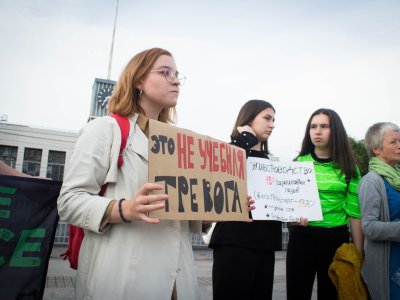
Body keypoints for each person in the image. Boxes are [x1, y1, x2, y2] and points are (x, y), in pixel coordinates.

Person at [57, 48, 202, 300]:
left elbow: (179, 216)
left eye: (177, 74)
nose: (176, 80)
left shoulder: (180, 144)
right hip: (123, 278)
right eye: (165, 72)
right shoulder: (104, 130)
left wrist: (217, 211)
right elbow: (69, 201)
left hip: (178, 281)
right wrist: (125, 209)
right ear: (138, 81)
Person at [286, 108, 364, 300]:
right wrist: (292, 220)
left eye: (324, 126)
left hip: (335, 238)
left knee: (331, 294)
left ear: (335, 130)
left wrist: (359, 253)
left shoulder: (350, 169)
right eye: (313, 127)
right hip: (301, 237)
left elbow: (355, 214)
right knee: (297, 293)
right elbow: (287, 205)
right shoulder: (296, 164)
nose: (317, 131)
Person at [209, 99, 282, 300]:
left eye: (274, 120)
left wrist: (293, 214)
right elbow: (217, 183)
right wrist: (245, 138)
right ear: (249, 119)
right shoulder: (231, 150)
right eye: (267, 118)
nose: (272, 124)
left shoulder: (270, 162)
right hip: (234, 241)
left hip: (265, 244)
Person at [358, 122, 400, 300]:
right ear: (376, 148)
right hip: (389, 265)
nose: (399, 145)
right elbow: (369, 226)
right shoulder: (371, 181)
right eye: (394, 141)